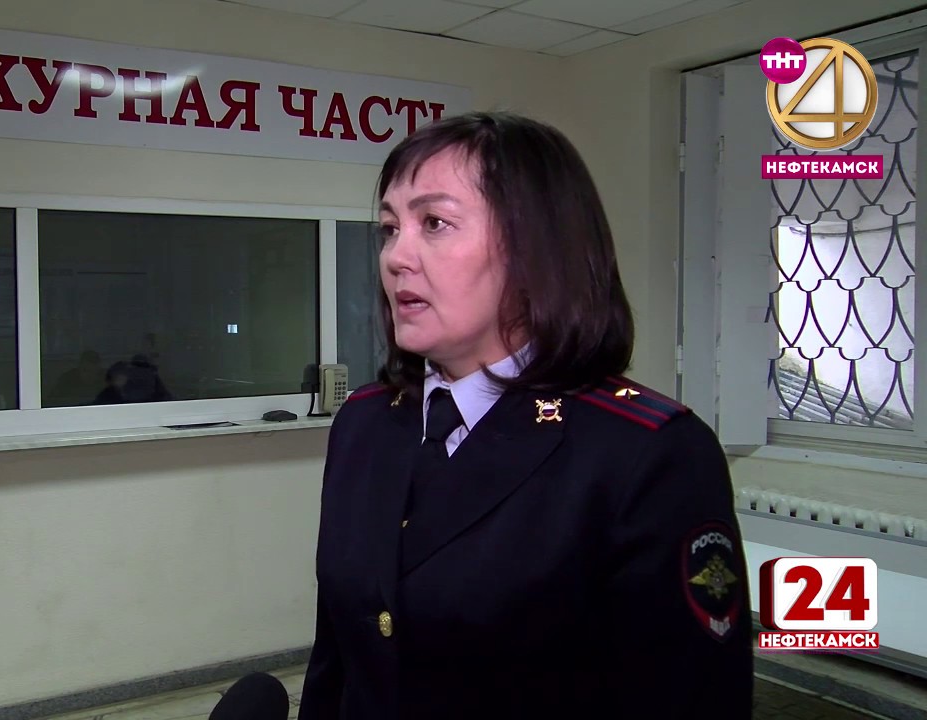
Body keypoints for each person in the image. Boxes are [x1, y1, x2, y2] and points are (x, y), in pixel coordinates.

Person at [296, 112, 753, 719]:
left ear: (534, 248)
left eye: (434, 223)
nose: (395, 256)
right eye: (389, 228)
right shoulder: (366, 422)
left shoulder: (646, 454)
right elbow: (339, 662)